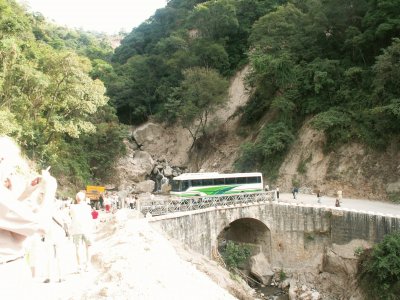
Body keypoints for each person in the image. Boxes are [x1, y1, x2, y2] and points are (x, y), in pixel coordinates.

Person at [0, 136, 47, 299]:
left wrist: (25, 194)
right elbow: (42, 226)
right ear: (2, 159)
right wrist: (49, 191)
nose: (10, 172)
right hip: (8, 276)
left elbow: (7, 218)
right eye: (10, 165)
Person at [69, 191, 94, 273]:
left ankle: (79, 266)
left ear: (76, 199)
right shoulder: (88, 207)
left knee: (78, 248)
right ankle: (88, 265)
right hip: (87, 229)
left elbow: (71, 215)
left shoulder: (72, 207)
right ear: (84, 198)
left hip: (76, 229)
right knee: (88, 247)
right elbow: (90, 217)